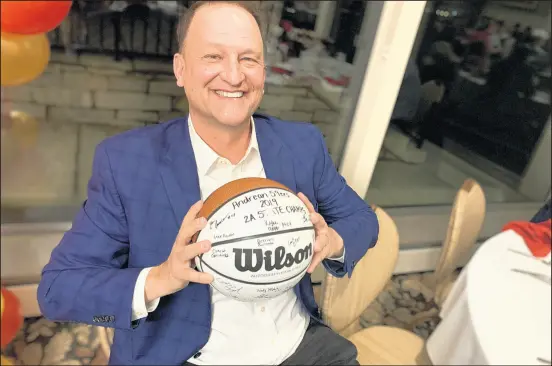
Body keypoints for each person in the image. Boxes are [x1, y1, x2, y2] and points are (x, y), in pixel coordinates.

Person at [37, 1, 379, 365]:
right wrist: (160, 278)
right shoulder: (126, 162)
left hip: (302, 346)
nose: (233, 76)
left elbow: (363, 219)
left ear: (264, 70)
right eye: (213, 57)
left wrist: (332, 241)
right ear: (180, 69)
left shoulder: (301, 144)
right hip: (190, 356)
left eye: (248, 59)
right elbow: (57, 290)